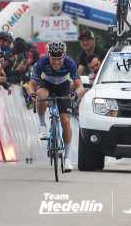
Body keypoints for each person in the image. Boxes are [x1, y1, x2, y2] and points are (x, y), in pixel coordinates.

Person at [27, 41, 84, 172]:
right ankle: (42, 125)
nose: (56, 62)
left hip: (63, 86)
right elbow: (31, 84)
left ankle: (67, 157)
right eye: (53, 59)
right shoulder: (42, 62)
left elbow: (80, 86)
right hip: (47, 84)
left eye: (59, 59)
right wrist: (31, 94)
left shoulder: (70, 63)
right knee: (41, 95)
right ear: (49, 56)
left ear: (64, 56)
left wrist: (75, 94)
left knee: (66, 121)